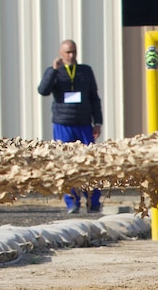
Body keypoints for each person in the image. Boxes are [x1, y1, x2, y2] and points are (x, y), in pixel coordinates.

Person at [38, 39, 104, 214]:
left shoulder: (85, 71)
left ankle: (93, 201)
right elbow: (43, 90)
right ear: (61, 53)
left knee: (89, 163)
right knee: (66, 164)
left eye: (74, 52)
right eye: (67, 52)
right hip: (63, 124)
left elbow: (94, 97)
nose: (71, 55)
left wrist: (97, 122)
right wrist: (54, 70)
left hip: (83, 124)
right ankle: (72, 202)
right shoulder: (55, 72)